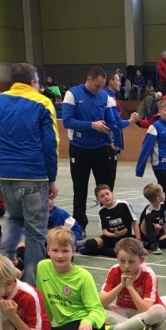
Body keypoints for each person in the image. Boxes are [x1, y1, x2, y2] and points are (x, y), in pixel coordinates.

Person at [36, 227, 166, 330]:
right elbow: (42, 300)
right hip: (60, 325)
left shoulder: (83, 276)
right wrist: (44, 326)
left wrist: (87, 322)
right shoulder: (42, 267)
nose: (60, 255)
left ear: (73, 251)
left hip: (82, 322)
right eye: (55, 250)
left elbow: (97, 308)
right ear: (48, 250)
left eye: (65, 251)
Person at [0, 62, 59, 286]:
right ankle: (32, 286)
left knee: (14, 219)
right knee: (35, 234)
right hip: (33, 175)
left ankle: (0, 270)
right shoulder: (43, 103)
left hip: (5, 175)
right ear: (34, 82)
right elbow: (50, 144)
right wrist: (51, 178)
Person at [61, 67, 120, 232]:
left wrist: (115, 137)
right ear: (89, 79)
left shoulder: (105, 96)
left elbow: (111, 121)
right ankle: (80, 225)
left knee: (105, 188)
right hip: (79, 148)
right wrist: (91, 125)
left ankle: (109, 223)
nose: (99, 89)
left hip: (101, 149)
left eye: (102, 86)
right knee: (80, 188)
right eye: (97, 85)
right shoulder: (72, 94)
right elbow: (67, 121)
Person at [99, 237, 166, 330]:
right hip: (123, 312)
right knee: (96, 308)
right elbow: (101, 302)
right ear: (117, 258)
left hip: (147, 316)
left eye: (131, 262)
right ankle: (138, 329)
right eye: (122, 261)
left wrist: (130, 287)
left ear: (141, 260)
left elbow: (146, 310)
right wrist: (121, 285)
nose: (126, 266)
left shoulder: (148, 274)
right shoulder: (114, 271)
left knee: (159, 311)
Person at [80, 184, 139, 257]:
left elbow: (134, 222)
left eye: (107, 194)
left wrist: (138, 240)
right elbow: (104, 231)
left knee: (123, 252)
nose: (106, 197)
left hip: (125, 239)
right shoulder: (102, 211)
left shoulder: (123, 205)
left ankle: (96, 251)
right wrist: (115, 235)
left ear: (112, 193)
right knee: (89, 243)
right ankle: (88, 248)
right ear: (98, 199)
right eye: (102, 196)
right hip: (110, 238)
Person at [139, 182, 166, 254]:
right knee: (150, 217)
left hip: (158, 236)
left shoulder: (162, 206)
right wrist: (156, 231)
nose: (164, 193)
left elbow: (164, 221)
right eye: (162, 193)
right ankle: (153, 245)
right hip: (148, 237)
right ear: (158, 199)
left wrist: (164, 231)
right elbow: (144, 231)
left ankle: (151, 245)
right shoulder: (149, 212)